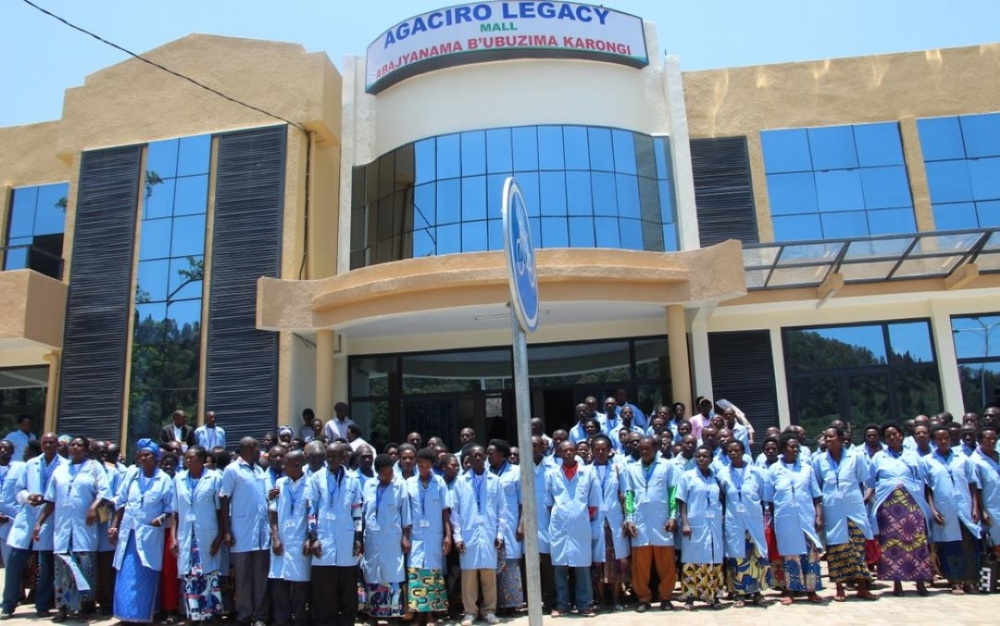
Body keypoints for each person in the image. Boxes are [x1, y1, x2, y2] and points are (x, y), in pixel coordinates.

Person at [33, 436, 109, 622]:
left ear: (86, 449)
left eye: (79, 445)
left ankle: (84, 607)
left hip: (85, 528)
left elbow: (105, 492)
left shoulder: (94, 467)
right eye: (73, 445)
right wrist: (39, 523)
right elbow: (50, 500)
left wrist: (93, 507)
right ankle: (63, 607)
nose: (75, 448)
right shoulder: (60, 470)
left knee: (85, 568)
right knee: (62, 570)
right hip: (63, 529)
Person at [110, 439, 176, 624]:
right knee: (126, 573)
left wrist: (161, 518)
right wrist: (114, 525)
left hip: (149, 535)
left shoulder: (164, 479)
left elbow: (171, 509)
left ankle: (144, 615)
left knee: (145, 574)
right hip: (129, 533)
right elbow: (121, 502)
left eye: (147, 455)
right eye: (141, 455)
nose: (143, 457)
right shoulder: (132, 476)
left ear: (156, 458)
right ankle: (125, 616)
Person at [1, 431, 65, 619]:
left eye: (52, 442)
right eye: (45, 442)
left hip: (50, 518)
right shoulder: (30, 464)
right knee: (14, 562)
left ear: (57, 444)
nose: (48, 445)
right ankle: (8, 605)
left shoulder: (64, 466)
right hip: (27, 517)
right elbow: (19, 489)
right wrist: (29, 497)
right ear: (41, 444)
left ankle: (42, 604)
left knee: (46, 565)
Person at [868, 422, 933, 596]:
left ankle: (920, 583)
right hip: (888, 507)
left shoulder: (914, 456)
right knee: (891, 544)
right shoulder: (878, 457)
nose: (891, 437)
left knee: (917, 541)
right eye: (888, 435)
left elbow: (921, 480)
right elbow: (871, 483)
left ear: (901, 435)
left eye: (894, 434)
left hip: (912, 503)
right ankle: (897, 584)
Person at [814, 426, 876, 602]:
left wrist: (865, 498)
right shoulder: (819, 461)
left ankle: (862, 587)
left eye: (831, 437)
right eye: (825, 437)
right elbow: (817, 485)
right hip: (832, 509)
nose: (827, 440)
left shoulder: (855, 457)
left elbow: (865, 480)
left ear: (841, 439)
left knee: (857, 548)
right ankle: (840, 588)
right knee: (836, 549)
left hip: (853, 508)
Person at [306, 441, 363, 626]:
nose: (330, 459)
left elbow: (356, 511)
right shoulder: (317, 478)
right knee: (325, 591)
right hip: (324, 538)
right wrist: (313, 538)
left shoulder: (352, 479)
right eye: (327, 456)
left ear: (344, 457)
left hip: (346, 540)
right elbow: (312, 510)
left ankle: (347, 622)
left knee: (347, 590)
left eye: (334, 456)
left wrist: (357, 538)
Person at [765, 433, 824, 605]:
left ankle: (811, 591)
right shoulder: (774, 469)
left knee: (810, 554)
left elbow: (816, 495)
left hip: (806, 515)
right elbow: (769, 498)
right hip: (784, 517)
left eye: (797, 446)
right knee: (790, 554)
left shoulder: (807, 468)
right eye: (792, 446)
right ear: (783, 449)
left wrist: (819, 516)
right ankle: (790, 590)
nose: (795, 449)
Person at [543, 440, 599, 618]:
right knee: (560, 567)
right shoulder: (552, 474)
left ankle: (584, 605)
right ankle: (562, 605)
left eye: (570, 450)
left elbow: (593, 503)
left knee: (582, 567)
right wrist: (563, 516)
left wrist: (578, 517)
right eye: (563, 450)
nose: (567, 453)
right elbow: (549, 503)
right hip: (559, 525)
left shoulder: (588, 473)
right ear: (558, 454)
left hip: (580, 525)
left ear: (576, 451)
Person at [451, 445, 505, 626]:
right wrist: (457, 537)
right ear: (469, 459)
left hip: (489, 533)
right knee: (468, 576)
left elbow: (502, 511)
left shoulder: (495, 481)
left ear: (485, 457)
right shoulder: (461, 482)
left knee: (488, 575)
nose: (478, 458)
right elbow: (455, 512)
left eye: (481, 455)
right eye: (474, 456)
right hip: (468, 534)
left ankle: (489, 611)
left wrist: (500, 534)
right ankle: (470, 612)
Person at [623, 436, 678, 612]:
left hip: (661, 519)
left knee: (666, 562)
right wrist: (629, 518)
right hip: (640, 520)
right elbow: (629, 494)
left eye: (647, 448)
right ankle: (644, 598)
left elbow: (672, 491)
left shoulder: (667, 466)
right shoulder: (631, 468)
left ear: (655, 449)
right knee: (640, 563)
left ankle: (666, 597)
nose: (644, 451)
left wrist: (672, 516)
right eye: (641, 448)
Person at [219, 437, 271, 626]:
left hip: (261, 533)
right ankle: (243, 614)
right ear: (250, 447)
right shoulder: (232, 470)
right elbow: (224, 499)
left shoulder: (259, 470)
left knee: (261, 577)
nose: (261, 452)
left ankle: (259, 616)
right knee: (242, 577)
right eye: (258, 448)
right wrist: (226, 530)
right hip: (241, 531)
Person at [923, 425, 980, 594]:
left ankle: (970, 581)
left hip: (965, 507)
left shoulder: (963, 459)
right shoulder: (927, 461)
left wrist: (975, 507)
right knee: (950, 546)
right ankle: (955, 581)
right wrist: (933, 510)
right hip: (943, 509)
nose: (943, 441)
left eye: (946, 438)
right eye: (939, 439)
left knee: (969, 545)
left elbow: (973, 484)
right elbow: (927, 489)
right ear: (933, 441)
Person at [716, 440, 771, 608]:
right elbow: (722, 497)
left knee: (756, 556)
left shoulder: (756, 473)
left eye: (737, 450)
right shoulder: (723, 474)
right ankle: (739, 594)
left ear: (743, 451)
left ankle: (757, 593)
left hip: (753, 519)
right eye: (730, 451)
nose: (734, 453)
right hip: (734, 521)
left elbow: (762, 496)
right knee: (737, 558)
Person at [404, 448, 452, 624]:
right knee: (416, 574)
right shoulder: (409, 483)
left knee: (433, 574)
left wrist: (448, 534)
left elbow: (445, 510)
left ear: (432, 465)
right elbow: (405, 512)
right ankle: (418, 614)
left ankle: (430, 614)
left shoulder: (439, 482)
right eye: (421, 466)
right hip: (416, 535)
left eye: (427, 466)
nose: (424, 469)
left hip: (434, 535)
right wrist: (405, 536)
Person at [361, 454, 411, 620]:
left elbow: (406, 514)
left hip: (392, 537)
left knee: (392, 572)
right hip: (372, 538)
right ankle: (375, 613)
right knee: (373, 572)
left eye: (390, 472)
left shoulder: (400, 485)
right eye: (384, 473)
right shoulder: (369, 485)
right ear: (377, 472)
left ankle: (394, 613)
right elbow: (363, 513)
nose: (388, 476)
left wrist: (405, 537)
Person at [677, 446, 726, 611]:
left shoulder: (716, 478)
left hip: (714, 525)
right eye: (698, 456)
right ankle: (690, 598)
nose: (701, 459)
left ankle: (714, 597)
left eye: (705, 456)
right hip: (695, 524)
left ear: (711, 459)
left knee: (714, 559)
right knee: (692, 560)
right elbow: (681, 502)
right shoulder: (687, 476)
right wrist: (685, 523)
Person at [269, 450, 310, 626]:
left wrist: (310, 537)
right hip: (283, 539)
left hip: (301, 540)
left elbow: (314, 515)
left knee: (300, 585)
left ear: (297, 466)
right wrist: (275, 537)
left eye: (285, 463)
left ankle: (299, 620)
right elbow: (273, 513)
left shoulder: (311, 484)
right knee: (280, 584)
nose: (282, 465)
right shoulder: (280, 483)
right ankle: (282, 621)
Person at [589, 435, 629, 612]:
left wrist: (628, 518)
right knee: (597, 562)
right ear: (592, 451)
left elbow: (626, 494)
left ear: (609, 450)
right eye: (596, 449)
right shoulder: (586, 471)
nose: (600, 452)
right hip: (596, 521)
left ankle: (615, 599)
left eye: (603, 449)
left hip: (614, 520)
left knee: (615, 561)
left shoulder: (618, 469)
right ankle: (601, 601)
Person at [486, 439, 523, 614]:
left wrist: (521, 524)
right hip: (491, 524)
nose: (488, 456)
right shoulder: (485, 472)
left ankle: (511, 604)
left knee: (509, 563)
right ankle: (495, 604)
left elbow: (523, 501)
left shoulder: (516, 472)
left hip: (511, 523)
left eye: (491, 453)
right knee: (492, 563)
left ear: (501, 454)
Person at [529, 437, 555, 612]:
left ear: (542, 447)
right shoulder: (521, 469)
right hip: (529, 522)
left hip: (549, 522)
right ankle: (531, 601)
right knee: (530, 565)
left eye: (535, 445)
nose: (532, 449)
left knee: (548, 565)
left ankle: (551, 601)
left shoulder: (552, 468)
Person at [972, 424, 1000, 558]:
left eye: (994, 439)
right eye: (988, 439)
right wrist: (982, 511)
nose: (992, 442)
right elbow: (976, 488)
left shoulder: (998, 456)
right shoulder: (975, 461)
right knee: (996, 538)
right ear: (979, 441)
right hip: (991, 506)